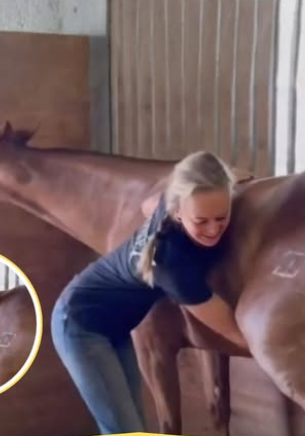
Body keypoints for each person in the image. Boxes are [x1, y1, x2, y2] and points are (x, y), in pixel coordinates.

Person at [51, 150, 249, 434]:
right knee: (125, 430)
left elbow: (148, 204)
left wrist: (232, 178)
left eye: (222, 217)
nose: (213, 229)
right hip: (79, 324)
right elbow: (231, 330)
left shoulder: (170, 202)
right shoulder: (171, 263)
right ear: (178, 212)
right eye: (201, 221)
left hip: (115, 327)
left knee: (131, 426)